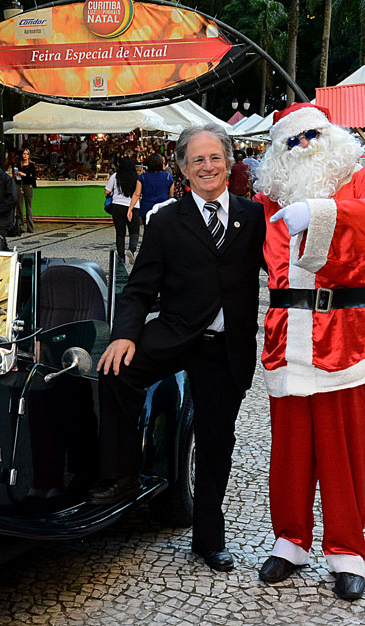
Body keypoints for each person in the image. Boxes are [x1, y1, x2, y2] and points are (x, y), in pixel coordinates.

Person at [89, 124, 267, 574]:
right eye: (197, 160)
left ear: (229, 163)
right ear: (183, 169)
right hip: (173, 333)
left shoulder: (255, 217)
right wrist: (125, 334)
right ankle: (125, 475)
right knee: (114, 373)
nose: (207, 167)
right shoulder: (166, 220)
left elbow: (286, 268)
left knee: (215, 441)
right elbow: (140, 288)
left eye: (215, 158)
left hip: (225, 348)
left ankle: (209, 539)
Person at [252, 103, 365, 601]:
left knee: (346, 452)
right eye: (292, 141)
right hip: (287, 337)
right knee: (289, 452)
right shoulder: (272, 197)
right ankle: (290, 541)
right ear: (278, 152)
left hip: (349, 338)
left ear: (332, 134)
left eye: (312, 134)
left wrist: (319, 212)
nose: (305, 146)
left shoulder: (361, 182)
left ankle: (346, 552)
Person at [105, 156, 140, 265]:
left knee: (120, 233)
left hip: (117, 206)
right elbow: (139, 193)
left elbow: (107, 191)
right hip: (133, 206)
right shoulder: (137, 177)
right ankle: (131, 249)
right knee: (134, 231)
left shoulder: (115, 176)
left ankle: (121, 257)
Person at [131, 153, 173, 224]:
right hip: (163, 208)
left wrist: (130, 208)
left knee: (148, 230)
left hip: (146, 208)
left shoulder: (143, 177)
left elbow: (137, 194)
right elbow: (171, 195)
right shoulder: (168, 177)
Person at [13, 147, 37, 233]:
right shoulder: (17, 165)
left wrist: (25, 174)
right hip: (19, 185)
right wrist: (16, 175)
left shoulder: (31, 165)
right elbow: (14, 176)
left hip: (28, 186)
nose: (25, 156)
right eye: (24, 153)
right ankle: (20, 226)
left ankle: (30, 227)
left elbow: (33, 177)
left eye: (27, 154)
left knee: (28, 207)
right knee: (19, 207)